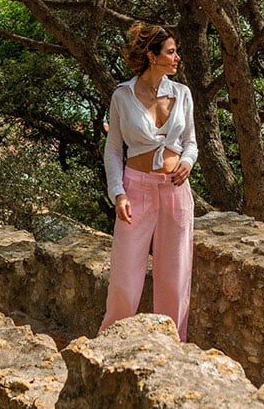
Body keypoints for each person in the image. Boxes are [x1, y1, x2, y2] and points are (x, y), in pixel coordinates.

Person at [99, 23, 198, 342]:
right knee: (124, 282)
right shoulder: (123, 96)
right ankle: (111, 346)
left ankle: (172, 349)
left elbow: (191, 142)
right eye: (171, 52)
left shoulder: (182, 94)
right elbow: (113, 149)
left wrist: (186, 161)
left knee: (175, 280)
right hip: (135, 191)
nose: (177, 58)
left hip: (175, 193)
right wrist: (118, 193)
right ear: (152, 56)